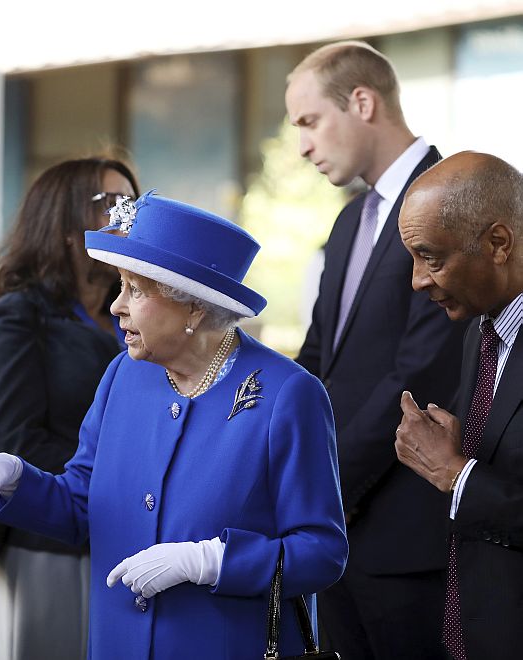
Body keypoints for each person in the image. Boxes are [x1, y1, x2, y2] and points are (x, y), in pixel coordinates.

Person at [0, 192, 348, 658]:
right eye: (120, 286)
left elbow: (322, 552)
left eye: (136, 290)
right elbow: (86, 503)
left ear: (195, 308)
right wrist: (17, 482)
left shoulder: (288, 394)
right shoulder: (125, 373)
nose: (116, 306)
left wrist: (210, 561)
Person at [285, 40, 467, 658]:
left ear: (362, 101)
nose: (303, 146)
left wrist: (322, 482)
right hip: (339, 541)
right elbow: (316, 360)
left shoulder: (451, 198)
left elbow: (420, 373)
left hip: (410, 538)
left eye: (309, 122)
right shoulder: (348, 221)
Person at [0, 157, 138, 660]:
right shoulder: (18, 319)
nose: (127, 219)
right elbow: (15, 443)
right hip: (47, 546)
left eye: (133, 204)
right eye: (111, 205)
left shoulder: (131, 316)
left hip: (130, 539)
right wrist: (129, 478)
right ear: (65, 227)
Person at [395, 151, 523, 660]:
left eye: (431, 256)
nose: (417, 280)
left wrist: (455, 471)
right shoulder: (480, 331)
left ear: (498, 243)